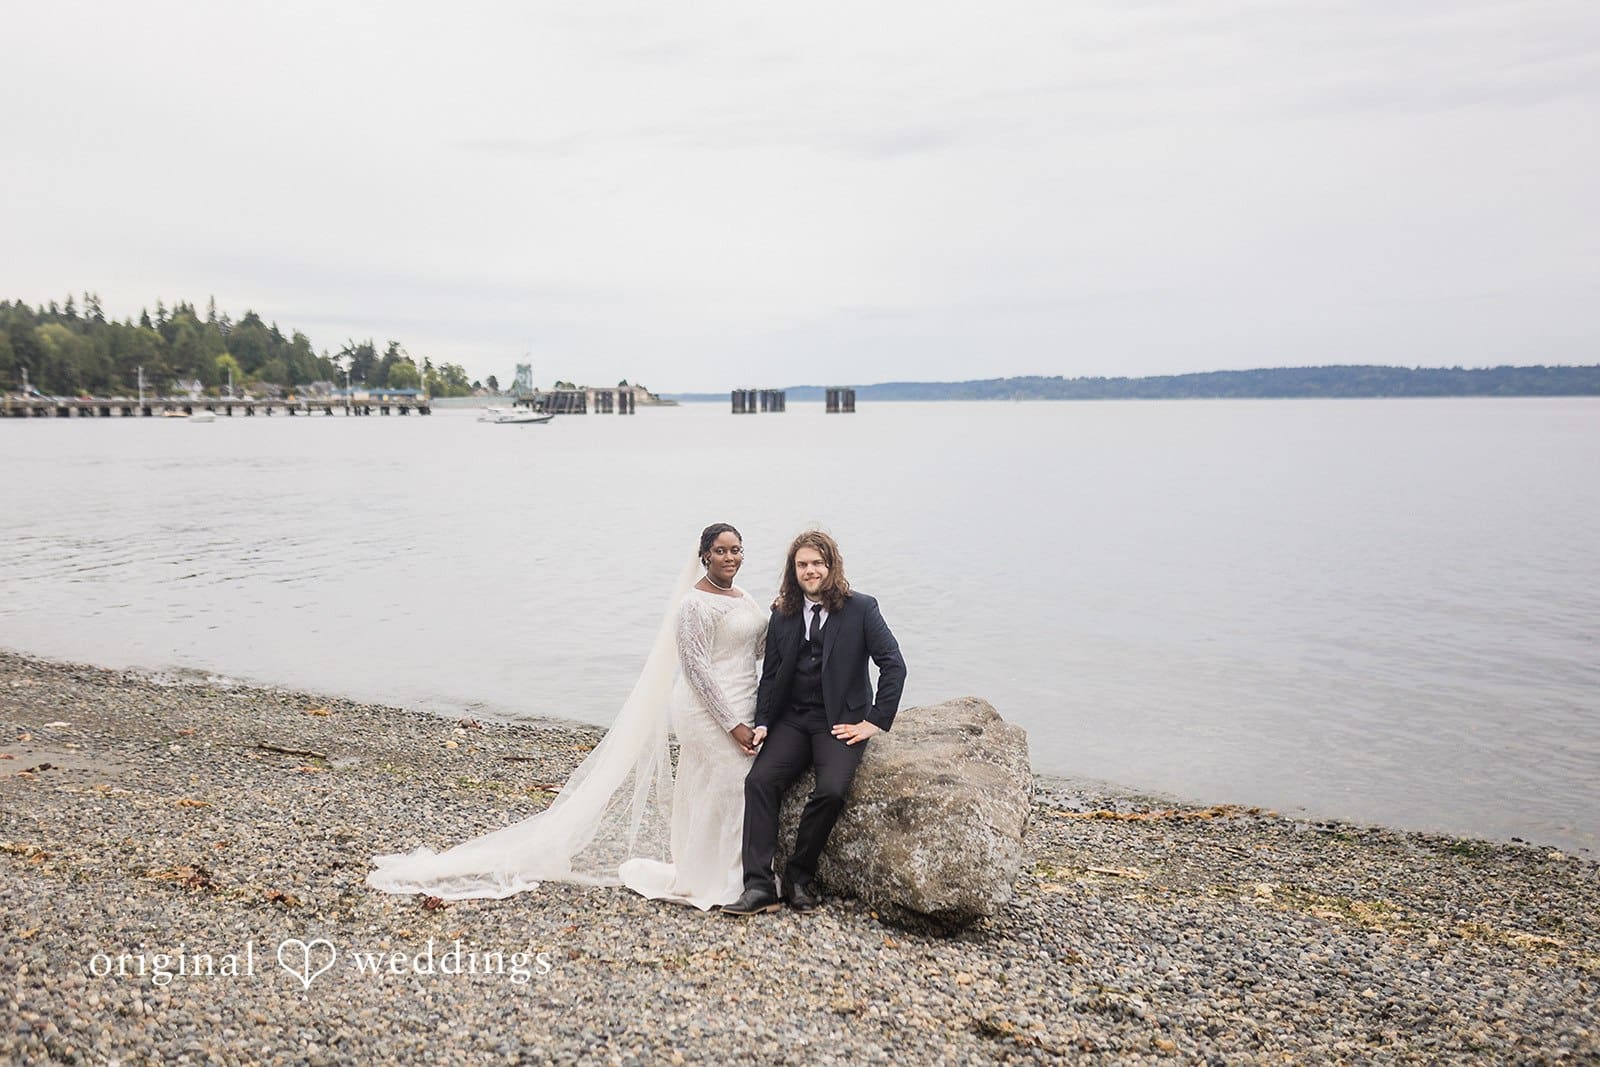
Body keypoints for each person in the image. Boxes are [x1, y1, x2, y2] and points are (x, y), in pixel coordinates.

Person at [366, 523, 766, 909]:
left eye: (736, 550)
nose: (729, 557)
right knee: (733, 782)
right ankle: (724, 879)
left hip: (743, 699)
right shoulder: (694, 604)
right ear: (704, 556)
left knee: (714, 787)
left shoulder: (743, 597)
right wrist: (732, 725)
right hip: (705, 711)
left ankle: (720, 870)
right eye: (720, 551)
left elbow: (756, 649)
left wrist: (785, 614)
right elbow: (696, 670)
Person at [723, 530, 906, 916]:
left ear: (831, 565)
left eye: (817, 563)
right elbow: (771, 675)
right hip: (792, 719)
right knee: (759, 782)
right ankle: (759, 887)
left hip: (839, 721)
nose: (810, 570)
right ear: (794, 570)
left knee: (832, 791)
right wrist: (763, 722)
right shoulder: (783, 613)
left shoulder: (862, 608)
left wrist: (874, 722)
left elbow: (893, 665)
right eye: (802, 564)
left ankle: (798, 877)